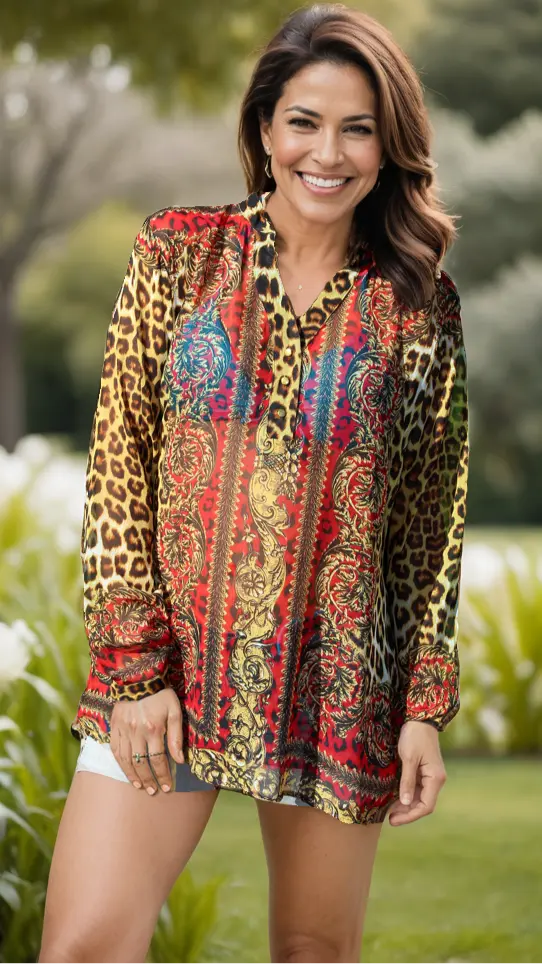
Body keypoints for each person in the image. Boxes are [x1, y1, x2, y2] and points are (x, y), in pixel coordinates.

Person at [39, 4, 469, 962]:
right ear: (265, 130)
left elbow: (431, 525)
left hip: (339, 678)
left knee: (314, 952)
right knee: (83, 949)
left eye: (359, 128)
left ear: (389, 146)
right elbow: (118, 469)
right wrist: (137, 670)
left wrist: (424, 708)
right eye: (306, 121)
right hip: (170, 671)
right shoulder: (179, 252)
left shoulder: (418, 303)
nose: (330, 152)